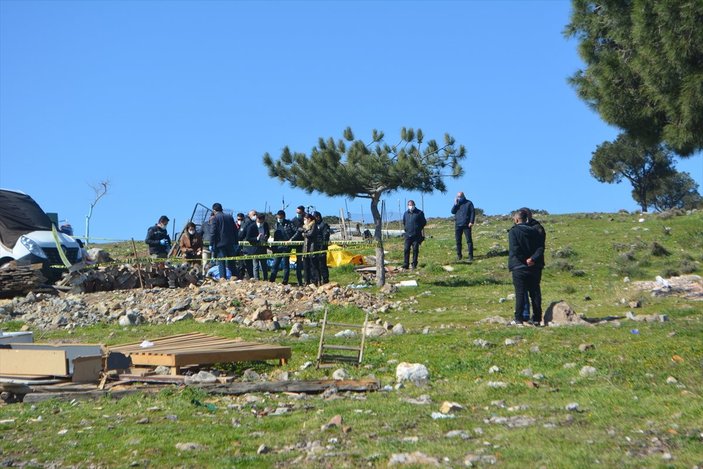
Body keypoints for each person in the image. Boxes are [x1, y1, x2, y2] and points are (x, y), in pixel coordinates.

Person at [508, 208, 543, 326]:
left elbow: (515, 248)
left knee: (520, 293)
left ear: (517, 219)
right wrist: (533, 259)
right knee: (535, 292)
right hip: (534, 266)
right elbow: (540, 247)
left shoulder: (514, 231)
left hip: (519, 266)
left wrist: (525, 260)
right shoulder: (535, 231)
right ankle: (537, 318)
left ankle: (518, 318)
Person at [519, 207, 546, 321]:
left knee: (534, 291)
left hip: (534, 264)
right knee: (524, 290)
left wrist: (533, 259)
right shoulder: (526, 228)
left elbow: (540, 246)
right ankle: (526, 315)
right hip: (525, 263)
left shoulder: (537, 228)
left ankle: (536, 316)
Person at [209, 203, 239, 281]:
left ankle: (223, 277)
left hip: (220, 244)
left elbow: (213, 232)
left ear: (214, 210)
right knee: (231, 260)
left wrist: (211, 243)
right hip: (230, 243)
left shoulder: (215, 218)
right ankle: (234, 276)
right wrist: (236, 242)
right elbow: (235, 230)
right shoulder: (229, 217)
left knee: (221, 261)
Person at [269, 210, 295, 284]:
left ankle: (285, 281)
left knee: (286, 265)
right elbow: (274, 236)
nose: (279, 218)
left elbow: (295, 232)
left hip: (286, 247)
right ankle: (271, 280)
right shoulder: (276, 224)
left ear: (284, 216)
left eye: (280, 217)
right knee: (275, 264)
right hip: (278, 248)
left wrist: (291, 240)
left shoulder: (289, 224)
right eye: (278, 217)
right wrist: (273, 247)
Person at [402, 200, 426, 270]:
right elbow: (404, 222)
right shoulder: (405, 213)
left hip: (416, 235)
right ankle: (406, 264)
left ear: (414, 205)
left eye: (412, 205)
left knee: (415, 250)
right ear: (407, 205)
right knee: (406, 249)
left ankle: (414, 264)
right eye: (409, 205)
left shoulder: (419, 213)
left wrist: (418, 229)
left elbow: (423, 222)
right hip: (407, 235)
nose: (411, 206)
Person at [451, 191, 475, 262]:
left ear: (463, 196)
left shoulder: (469, 203)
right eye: (458, 197)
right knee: (458, 241)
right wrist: (455, 204)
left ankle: (470, 256)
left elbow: (472, 212)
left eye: (460, 196)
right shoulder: (457, 203)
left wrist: (471, 222)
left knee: (469, 241)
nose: (459, 198)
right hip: (458, 225)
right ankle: (459, 256)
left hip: (466, 225)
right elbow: (452, 212)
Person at [289, 205, 306, 286]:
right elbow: (295, 230)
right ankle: (299, 281)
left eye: (299, 212)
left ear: (303, 212)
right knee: (299, 263)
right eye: (296, 212)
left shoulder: (307, 218)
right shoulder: (294, 220)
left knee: (307, 262)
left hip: (306, 243)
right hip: (297, 243)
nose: (297, 214)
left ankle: (308, 280)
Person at [301, 212, 319, 285]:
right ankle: (306, 281)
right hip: (305, 249)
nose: (304, 221)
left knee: (313, 266)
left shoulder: (314, 225)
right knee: (306, 267)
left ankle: (315, 281)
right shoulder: (304, 226)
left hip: (312, 248)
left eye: (305, 219)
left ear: (309, 219)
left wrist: (304, 233)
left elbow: (311, 234)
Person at [314, 211, 331, 284]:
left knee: (322, 265)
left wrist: (322, 247)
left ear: (318, 217)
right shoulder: (314, 225)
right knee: (315, 265)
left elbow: (325, 237)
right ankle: (317, 280)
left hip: (322, 248)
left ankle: (325, 280)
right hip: (315, 248)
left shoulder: (324, 225)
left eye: (314, 217)